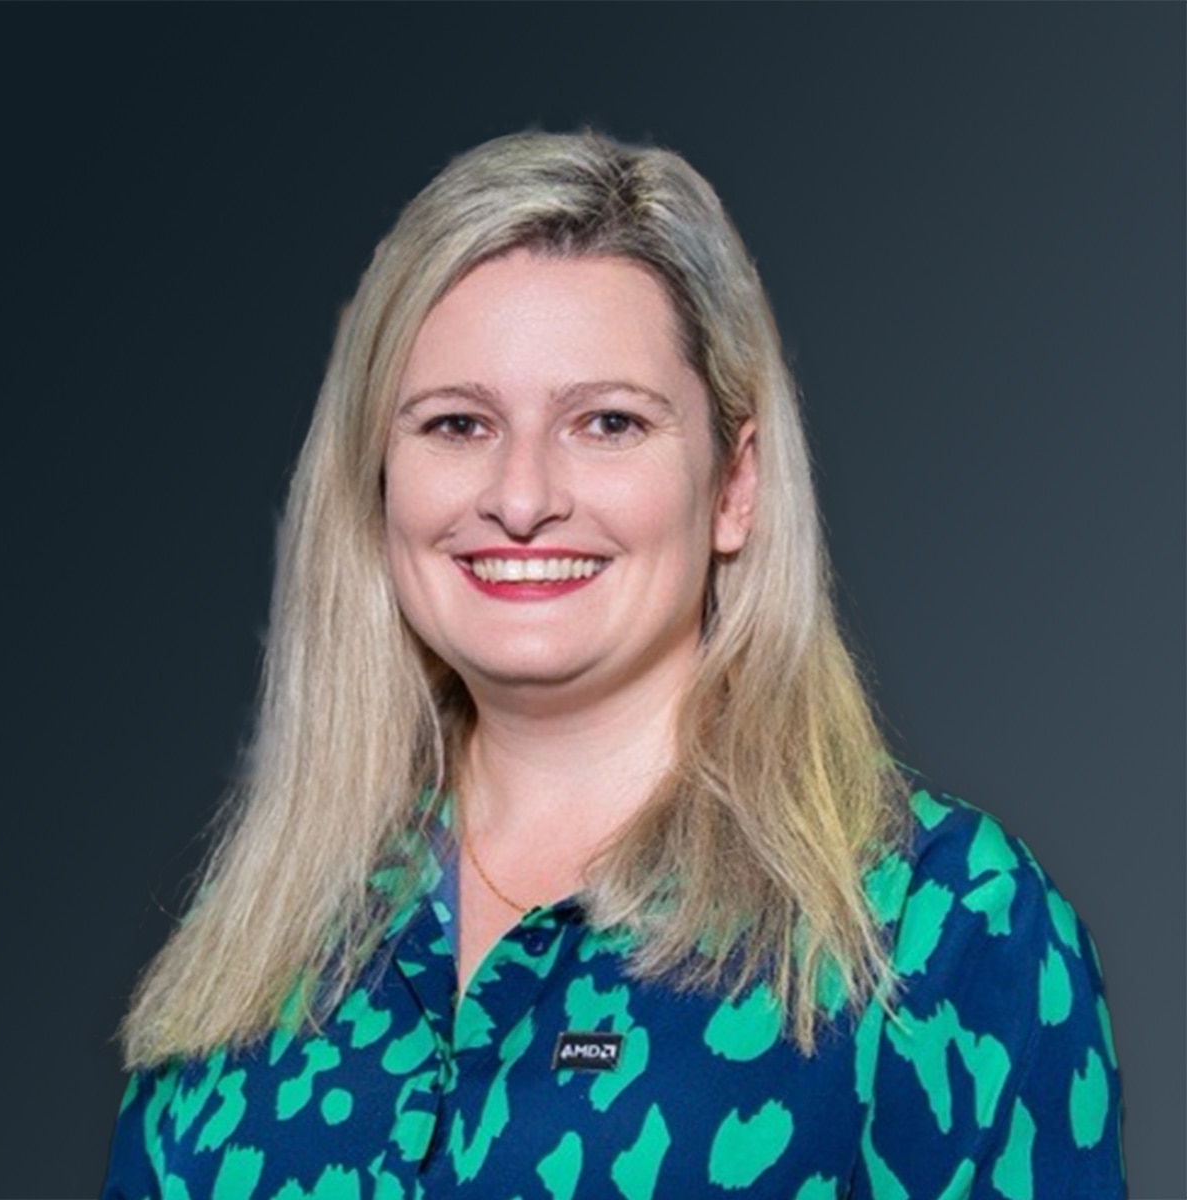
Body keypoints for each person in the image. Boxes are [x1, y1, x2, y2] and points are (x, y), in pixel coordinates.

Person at [101, 131, 1124, 1199]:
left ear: (735, 485)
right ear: (377, 482)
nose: (524, 495)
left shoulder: (942, 923)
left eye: (606, 422)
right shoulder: (260, 931)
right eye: (457, 423)